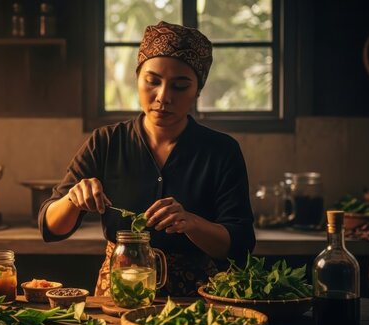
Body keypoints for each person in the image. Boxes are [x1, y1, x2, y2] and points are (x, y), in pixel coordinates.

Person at [38, 21, 255, 297]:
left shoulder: (222, 151)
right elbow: (50, 226)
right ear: (138, 78)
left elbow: (241, 245)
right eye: (152, 81)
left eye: (179, 86)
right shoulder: (106, 142)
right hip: (119, 293)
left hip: (197, 299)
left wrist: (192, 223)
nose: (163, 97)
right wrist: (72, 200)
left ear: (197, 92)